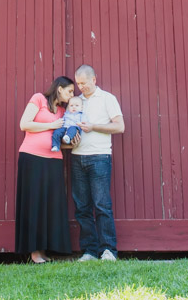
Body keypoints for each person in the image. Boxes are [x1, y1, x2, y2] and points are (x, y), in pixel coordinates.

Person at [15, 76, 75, 263]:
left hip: (53, 161)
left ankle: (44, 251)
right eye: (70, 91)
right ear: (59, 89)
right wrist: (50, 125)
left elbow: (58, 138)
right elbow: (24, 124)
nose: (72, 95)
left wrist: (72, 143)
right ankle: (33, 252)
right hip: (31, 159)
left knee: (49, 207)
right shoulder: (38, 99)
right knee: (34, 205)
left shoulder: (64, 111)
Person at [71, 64, 124, 262]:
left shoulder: (107, 99)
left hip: (100, 157)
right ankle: (89, 251)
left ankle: (108, 250)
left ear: (94, 79)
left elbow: (119, 126)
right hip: (77, 157)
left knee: (102, 205)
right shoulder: (76, 101)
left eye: (84, 83)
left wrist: (93, 127)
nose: (81, 87)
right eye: (78, 84)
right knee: (82, 207)